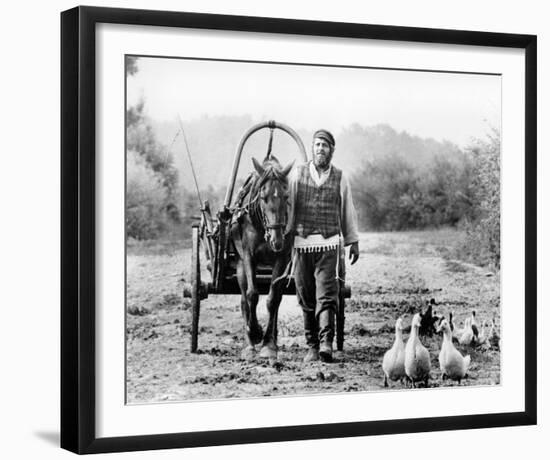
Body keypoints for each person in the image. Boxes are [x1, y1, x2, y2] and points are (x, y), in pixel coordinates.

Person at [287, 129, 360, 363]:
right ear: (312, 148)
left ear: (331, 151)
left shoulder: (340, 178)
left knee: (327, 296)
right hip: (301, 246)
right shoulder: (297, 175)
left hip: (329, 246)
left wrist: (353, 241)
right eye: (317, 144)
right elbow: (288, 210)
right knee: (306, 297)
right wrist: (283, 239)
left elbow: (348, 210)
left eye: (325, 146)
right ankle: (312, 345)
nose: (320, 149)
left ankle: (326, 343)